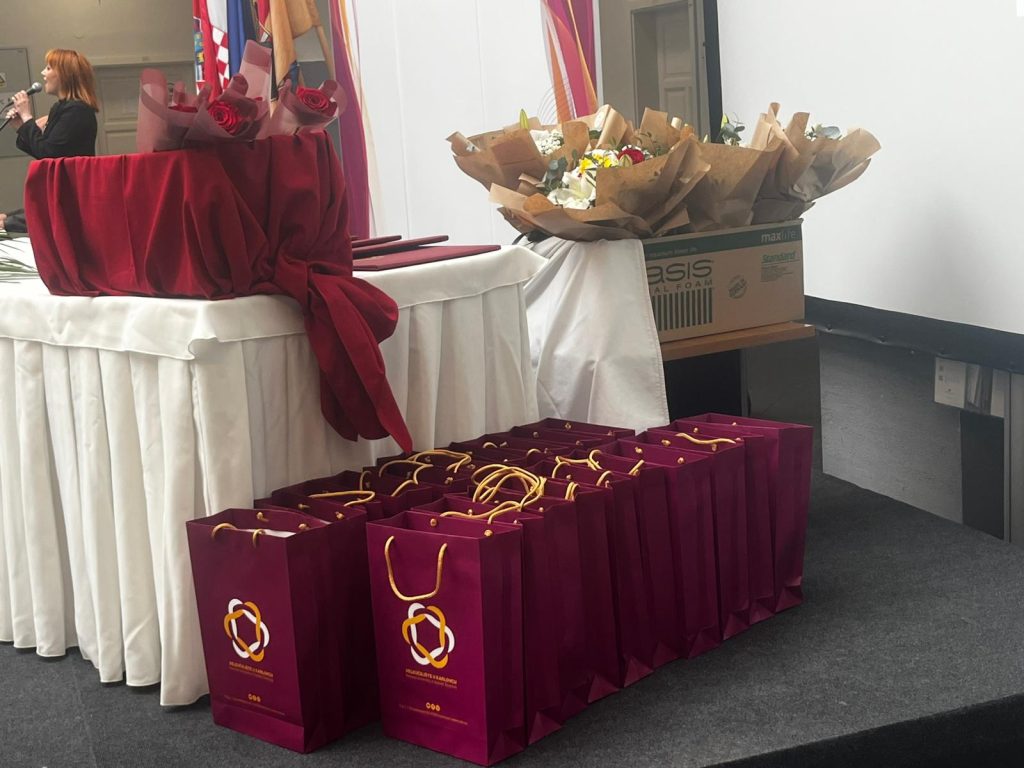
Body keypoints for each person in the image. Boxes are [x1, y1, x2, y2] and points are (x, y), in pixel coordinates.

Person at [1, 48, 99, 233]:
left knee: (8, 224)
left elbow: (48, 153)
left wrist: (27, 118)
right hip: (58, 194)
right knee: (6, 218)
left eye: (48, 68)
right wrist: (20, 126)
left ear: (64, 74)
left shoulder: (77, 111)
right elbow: (43, 149)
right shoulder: (61, 109)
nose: (43, 73)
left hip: (70, 200)